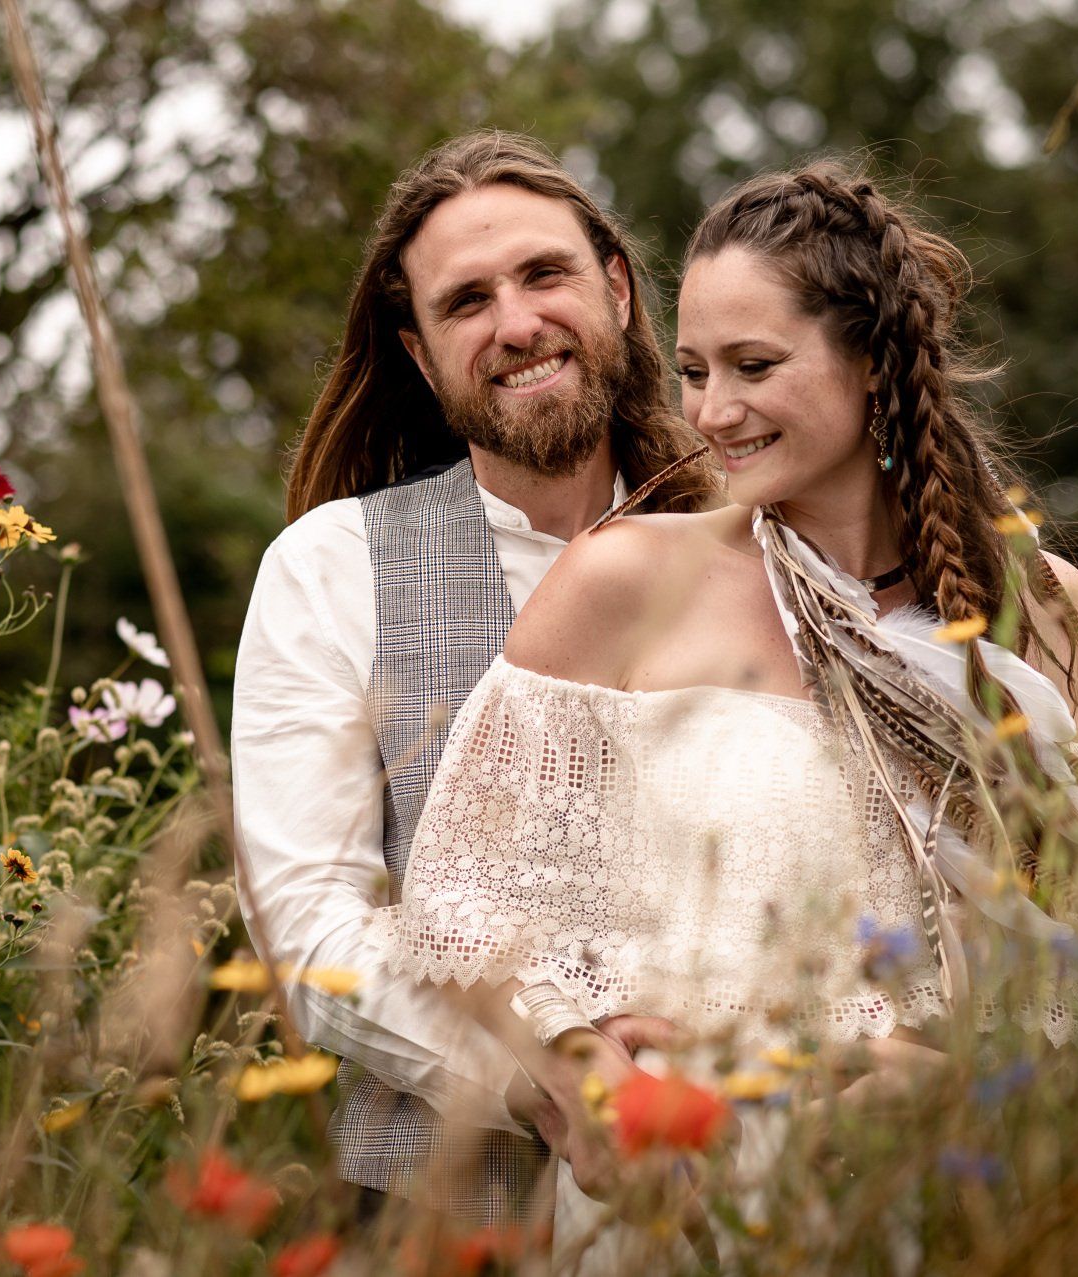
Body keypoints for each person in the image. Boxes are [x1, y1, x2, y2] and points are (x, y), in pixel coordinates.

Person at [364, 161, 1078, 1266]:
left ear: (874, 361)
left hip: (965, 1191)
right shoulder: (626, 582)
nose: (711, 411)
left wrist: (948, 1085)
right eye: (693, 370)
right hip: (698, 1198)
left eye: (755, 366)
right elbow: (465, 907)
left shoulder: (1043, 612)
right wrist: (586, 1076)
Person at [230, 130, 717, 1225]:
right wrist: (548, 1080)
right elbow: (310, 924)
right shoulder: (332, 568)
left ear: (618, 289)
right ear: (418, 352)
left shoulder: (751, 550)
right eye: (466, 302)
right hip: (445, 1217)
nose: (517, 323)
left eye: (545, 274)